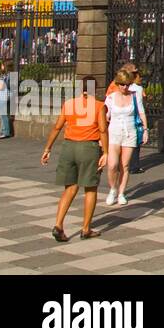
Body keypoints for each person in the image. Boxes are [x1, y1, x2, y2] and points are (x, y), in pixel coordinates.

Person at [41, 78, 108, 241]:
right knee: (90, 188)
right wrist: (106, 152)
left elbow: (57, 127)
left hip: (69, 147)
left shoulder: (69, 104)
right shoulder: (99, 106)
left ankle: (58, 224)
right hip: (88, 148)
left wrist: (47, 148)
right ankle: (85, 228)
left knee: (70, 188)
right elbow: (103, 130)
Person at [103, 69, 146, 205]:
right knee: (112, 165)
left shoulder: (135, 95)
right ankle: (113, 189)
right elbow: (105, 116)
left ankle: (121, 193)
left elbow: (141, 113)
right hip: (114, 132)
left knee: (125, 165)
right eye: (122, 84)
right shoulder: (111, 97)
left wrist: (145, 130)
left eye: (127, 84)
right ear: (117, 84)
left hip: (130, 132)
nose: (124, 87)